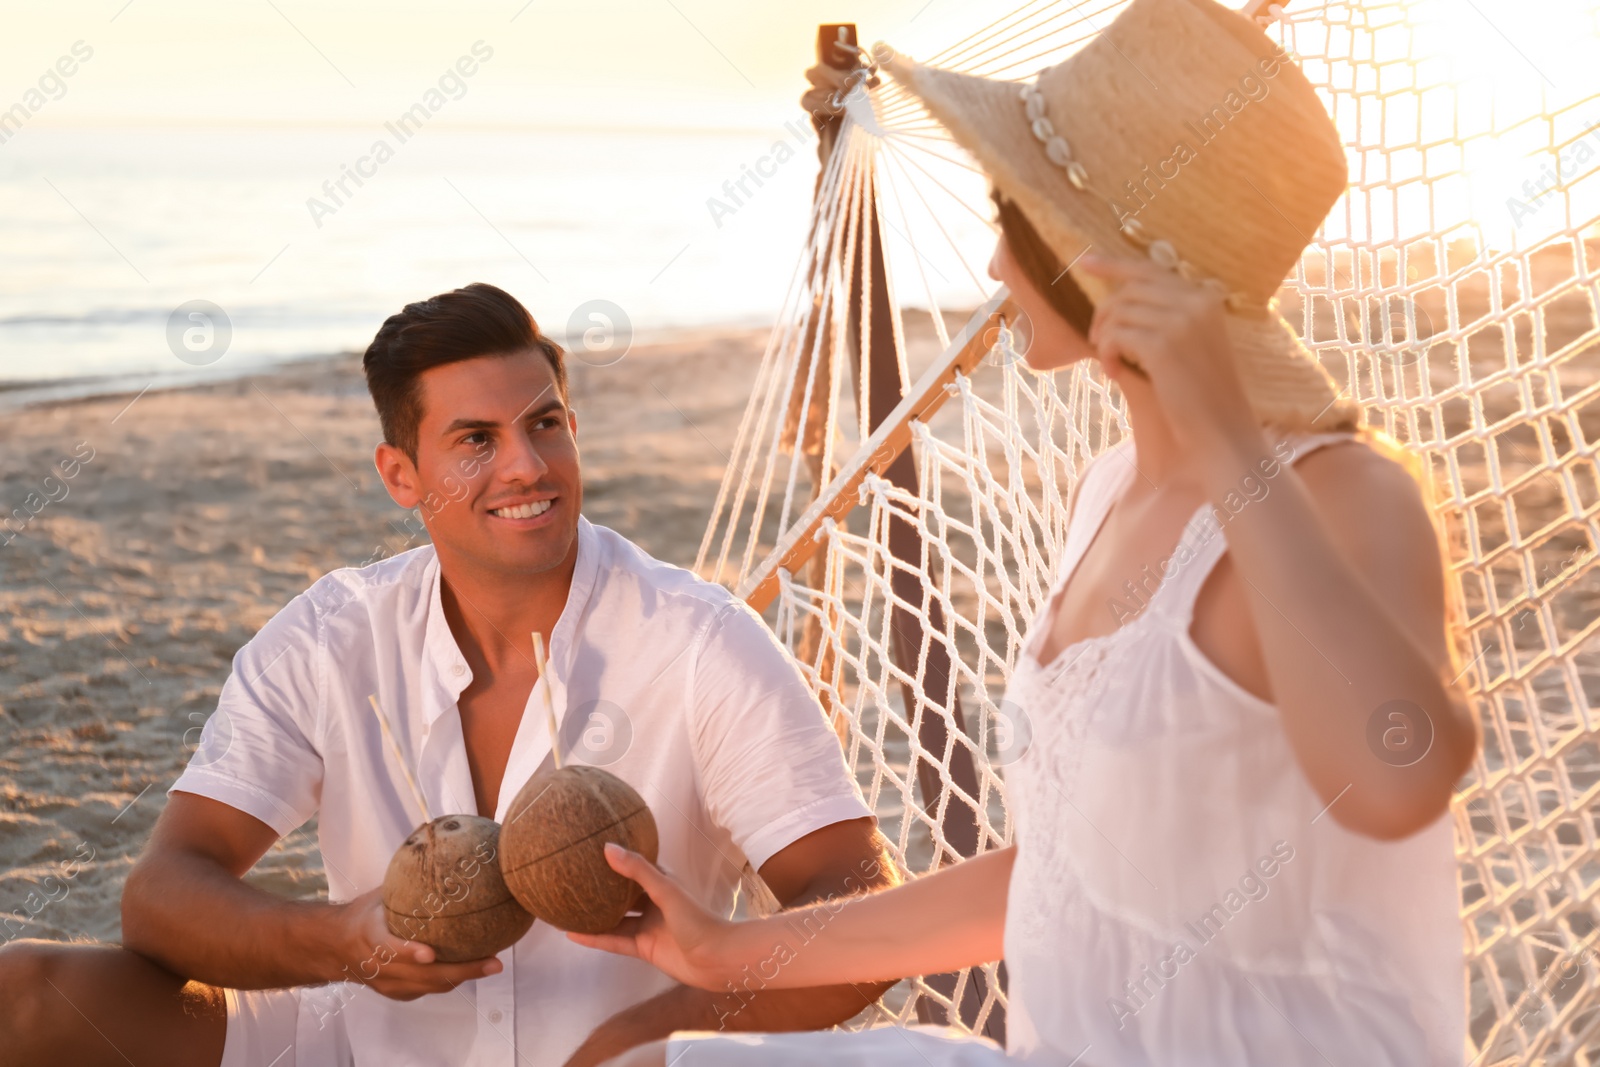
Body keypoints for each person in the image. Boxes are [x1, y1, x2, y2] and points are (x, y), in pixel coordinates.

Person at [570, 0, 1480, 1064]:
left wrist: (1229, 437)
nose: (997, 263)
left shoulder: (1343, 492)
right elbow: (1056, 877)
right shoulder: (1108, 491)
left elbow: (1400, 772)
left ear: (1093, 251)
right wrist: (731, 953)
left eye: (1013, 213)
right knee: (628, 1057)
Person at [0, 282, 899, 1067]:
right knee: (23, 992)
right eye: (476, 439)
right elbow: (161, 897)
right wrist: (341, 940)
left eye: (543, 423)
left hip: (629, 1059)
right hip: (358, 1046)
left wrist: (648, 1043)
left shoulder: (701, 643)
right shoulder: (330, 635)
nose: (526, 465)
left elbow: (861, 900)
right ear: (401, 474)